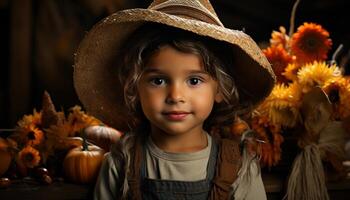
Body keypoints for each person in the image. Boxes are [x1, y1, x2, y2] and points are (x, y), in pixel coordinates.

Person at [73, 0, 276, 199]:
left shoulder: (238, 166)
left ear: (219, 89)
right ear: (135, 87)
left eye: (194, 80)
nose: (175, 96)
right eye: (159, 80)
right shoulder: (122, 161)